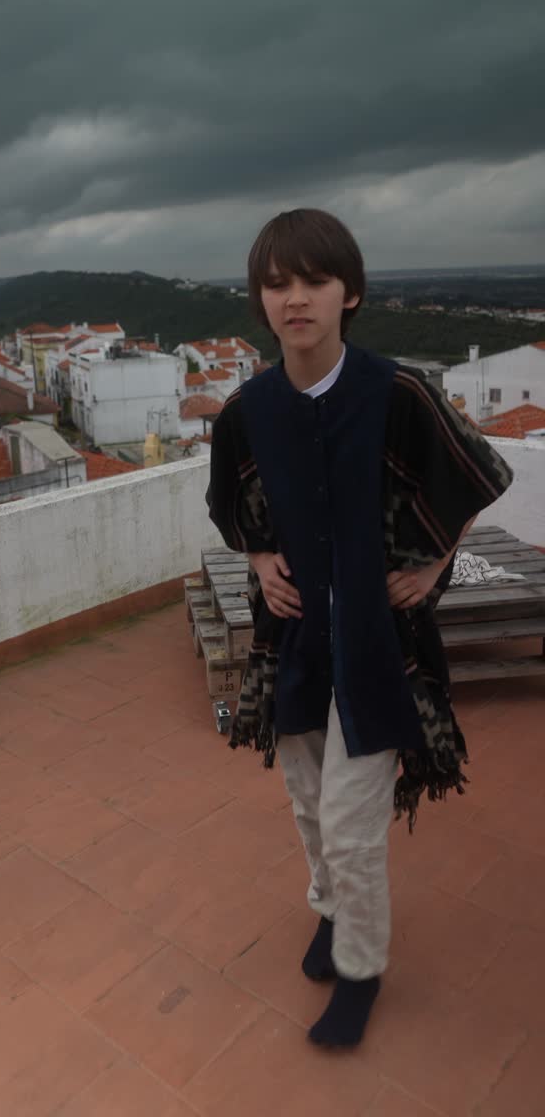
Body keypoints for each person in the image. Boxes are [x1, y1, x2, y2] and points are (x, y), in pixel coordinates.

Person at [206, 208, 513, 1048]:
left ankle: (361, 967)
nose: (295, 299)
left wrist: (434, 565)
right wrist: (258, 556)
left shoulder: (396, 393)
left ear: (351, 293)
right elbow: (232, 507)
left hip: (381, 649)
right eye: (278, 284)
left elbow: (478, 473)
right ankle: (333, 910)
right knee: (309, 803)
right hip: (294, 643)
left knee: (349, 821)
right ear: (260, 301)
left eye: (315, 281)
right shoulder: (247, 411)